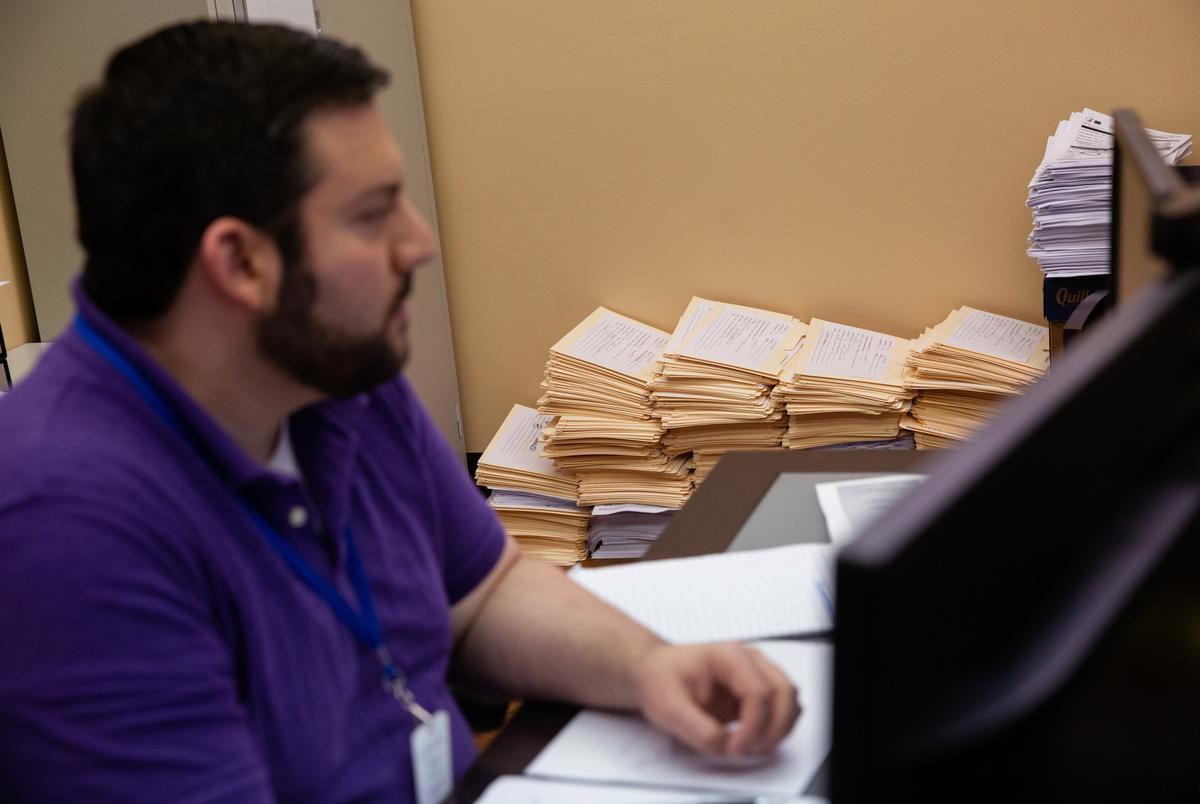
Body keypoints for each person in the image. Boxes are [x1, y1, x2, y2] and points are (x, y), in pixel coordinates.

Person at [0, 21, 800, 803]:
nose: (419, 243)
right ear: (241, 262)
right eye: (374, 212)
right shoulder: (63, 523)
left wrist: (645, 666)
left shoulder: (330, 372)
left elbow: (483, 594)